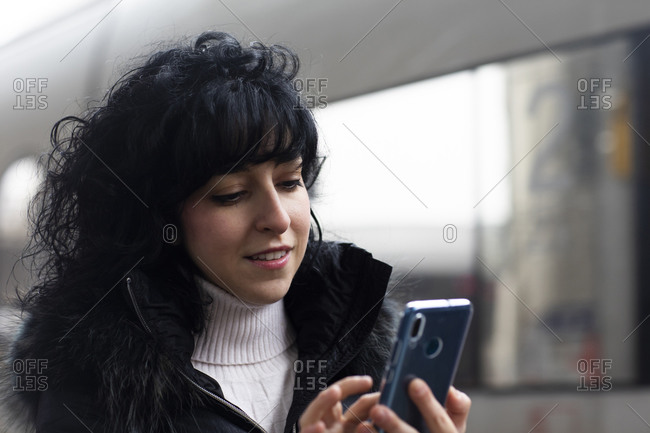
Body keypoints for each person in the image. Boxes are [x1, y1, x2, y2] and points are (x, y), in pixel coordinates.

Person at [0, 31, 470, 433]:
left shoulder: (365, 339)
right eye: (230, 194)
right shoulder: (91, 383)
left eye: (290, 182)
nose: (278, 218)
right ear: (158, 216)